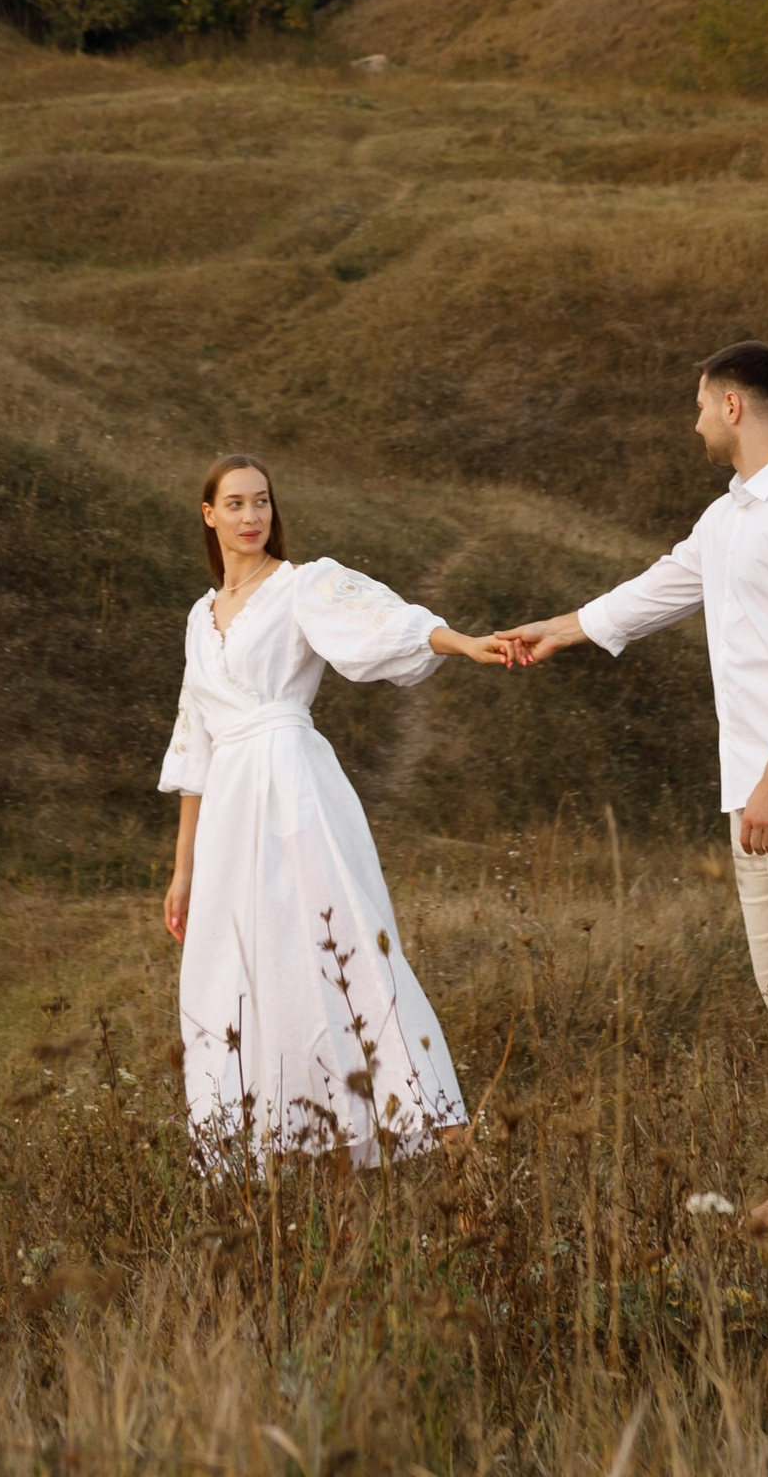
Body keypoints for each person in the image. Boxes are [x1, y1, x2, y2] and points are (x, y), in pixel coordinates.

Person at [502, 341, 768, 1246]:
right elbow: (658, 589)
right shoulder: (729, 516)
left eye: (699, 404)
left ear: (733, 405)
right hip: (757, 793)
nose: (693, 421)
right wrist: (562, 629)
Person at [160, 451, 513, 1170]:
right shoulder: (199, 619)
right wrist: (182, 870)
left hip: (295, 792)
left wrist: (463, 643)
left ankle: (447, 1132)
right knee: (240, 972)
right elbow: (194, 745)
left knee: (346, 948)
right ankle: (288, 1142)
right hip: (228, 814)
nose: (252, 516)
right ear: (209, 514)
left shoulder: (300, 587)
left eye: (262, 501)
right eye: (236, 503)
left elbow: (384, 623)